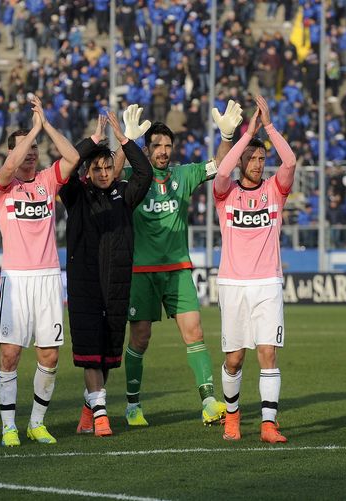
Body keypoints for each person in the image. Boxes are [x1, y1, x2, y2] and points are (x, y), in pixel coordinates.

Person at [121, 100, 242, 427]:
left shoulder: (183, 175)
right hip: (141, 272)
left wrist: (227, 136)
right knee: (140, 339)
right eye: (156, 146)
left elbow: (220, 165)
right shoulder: (132, 176)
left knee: (195, 333)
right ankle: (133, 405)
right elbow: (108, 170)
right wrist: (126, 142)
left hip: (178, 269)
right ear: (146, 150)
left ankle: (208, 402)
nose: (163, 151)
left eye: (167, 146)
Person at [0, 95, 80, 447]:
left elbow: (73, 157)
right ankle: (8, 426)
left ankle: (37, 423)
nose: (30, 152)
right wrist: (30, 132)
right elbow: (10, 164)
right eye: (24, 147)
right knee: (10, 354)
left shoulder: (48, 180)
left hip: (47, 278)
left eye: (34, 147)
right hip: (15, 280)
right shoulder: (2, 186)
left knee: (49, 355)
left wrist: (45, 126)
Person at [61, 106, 152, 437]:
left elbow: (145, 174)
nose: (102, 173)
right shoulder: (76, 196)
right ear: (88, 172)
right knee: (90, 357)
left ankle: (90, 410)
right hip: (84, 286)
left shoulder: (124, 196)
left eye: (107, 168)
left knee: (107, 357)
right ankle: (101, 416)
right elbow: (65, 171)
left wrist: (124, 140)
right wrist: (95, 139)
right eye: (96, 168)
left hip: (116, 285)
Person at [213, 96, 296, 443]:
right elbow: (220, 170)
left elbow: (289, 161)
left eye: (262, 158)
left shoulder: (275, 192)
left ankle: (268, 424)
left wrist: (270, 127)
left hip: (267, 284)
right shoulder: (225, 192)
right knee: (234, 360)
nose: (259, 164)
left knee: (267, 352)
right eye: (252, 158)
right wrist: (246, 135)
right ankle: (231, 416)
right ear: (241, 161)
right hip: (233, 284)